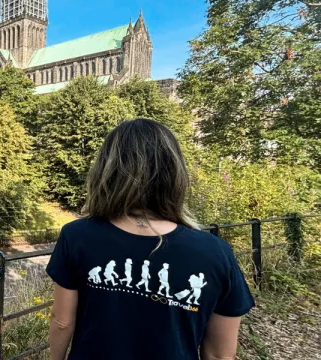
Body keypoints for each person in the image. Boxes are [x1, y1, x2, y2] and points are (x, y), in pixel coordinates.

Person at [46, 119, 254, 360]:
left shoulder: (77, 235)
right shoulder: (216, 252)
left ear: (107, 170)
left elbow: (62, 322)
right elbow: (219, 355)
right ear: (174, 173)